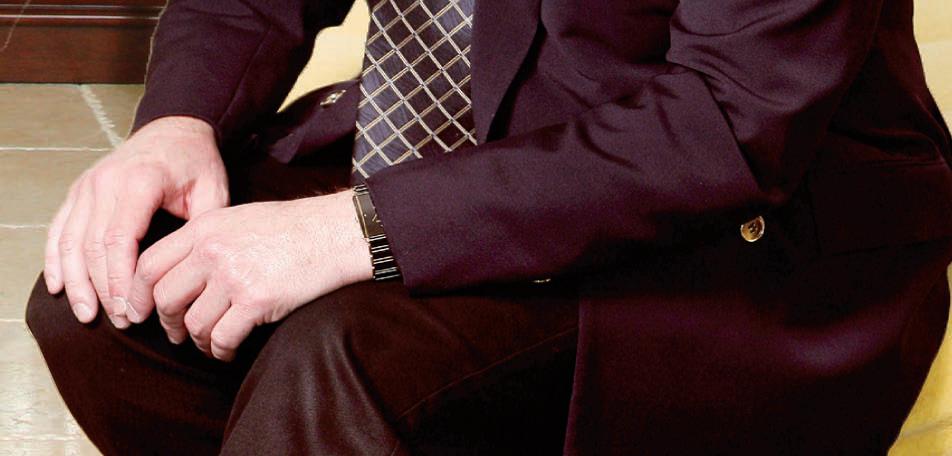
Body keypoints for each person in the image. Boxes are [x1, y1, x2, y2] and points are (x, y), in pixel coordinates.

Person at [25, 0, 952, 454]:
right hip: (458, 137)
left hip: (734, 233)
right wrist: (176, 121)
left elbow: (728, 120)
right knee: (111, 302)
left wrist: (353, 232)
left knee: (340, 358)